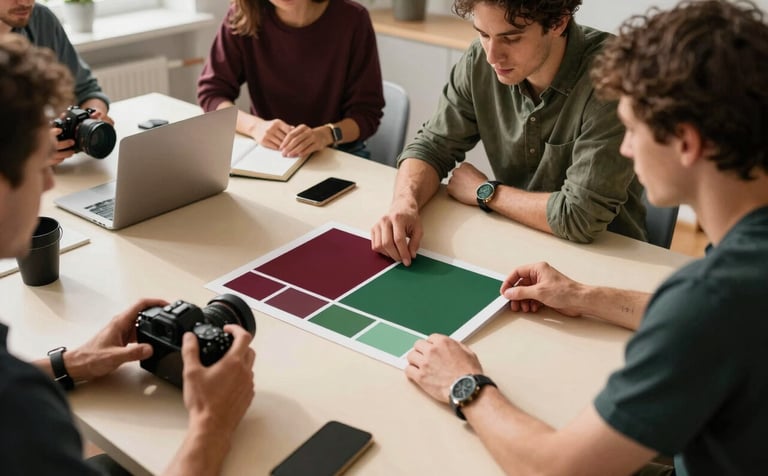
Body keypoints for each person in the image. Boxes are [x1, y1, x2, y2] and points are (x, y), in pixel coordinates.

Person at [404, 0, 768, 474]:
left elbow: (557, 468)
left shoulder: (709, 301)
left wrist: (465, 384)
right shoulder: (740, 258)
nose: (624, 147)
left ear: (686, 142)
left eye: (634, 130)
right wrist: (582, 295)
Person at [0, 35, 256, 475]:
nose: (47, 186)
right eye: (42, 165)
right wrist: (213, 423)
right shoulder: (21, 412)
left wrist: (69, 363)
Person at [372, 0, 647, 266]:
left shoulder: (612, 78)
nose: (493, 56)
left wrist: (486, 192)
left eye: (512, 39)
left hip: (605, 259)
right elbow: (433, 146)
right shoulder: (480, 61)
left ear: (559, 22)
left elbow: (580, 217)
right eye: (483, 34)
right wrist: (404, 202)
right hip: (516, 242)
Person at [197, 0, 384, 159]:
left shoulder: (352, 19)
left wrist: (325, 135)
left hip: (338, 151)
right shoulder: (243, 14)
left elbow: (366, 114)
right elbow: (212, 93)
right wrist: (255, 127)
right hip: (270, 151)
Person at [0, 0, 113, 164]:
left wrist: (93, 117)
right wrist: (28, 155)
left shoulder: (40, 18)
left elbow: (86, 90)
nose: (25, 2)